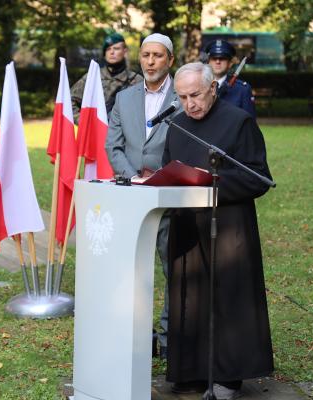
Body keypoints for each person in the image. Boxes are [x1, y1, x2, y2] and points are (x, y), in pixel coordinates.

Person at [162, 62, 273, 399]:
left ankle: (229, 373)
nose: (189, 103)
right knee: (189, 297)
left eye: (195, 94)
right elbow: (170, 170)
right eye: (182, 97)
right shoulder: (176, 125)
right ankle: (190, 369)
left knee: (228, 296)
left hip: (228, 226)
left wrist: (212, 184)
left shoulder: (239, 122)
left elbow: (257, 176)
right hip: (187, 226)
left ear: (212, 88)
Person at [105, 32, 179, 358]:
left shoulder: (184, 95)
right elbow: (113, 145)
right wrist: (133, 176)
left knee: (173, 270)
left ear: (170, 60)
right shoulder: (124, 98)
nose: (150, 61)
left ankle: (169, 338)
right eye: (146, 55)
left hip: (171, 197)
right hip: (132, 197)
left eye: (158, 56)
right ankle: (141, 337)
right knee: (134, 271)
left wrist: (163, 177)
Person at [70, 32, 143, 124]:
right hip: (96, 134)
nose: (112, 52)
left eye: (116, 48)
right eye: (108, 49)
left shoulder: (136, 80)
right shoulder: (92, 78)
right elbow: (69, 101)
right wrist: (83, 121)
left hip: (124, 135)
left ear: (125, 51)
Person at [204, 39, 256, 118]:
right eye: (214, 58)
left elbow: (250, 123)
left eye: (222, 58)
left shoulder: (242, 90)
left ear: (230, 63)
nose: (218, 61)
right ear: (208, 62)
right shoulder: (200, 86)